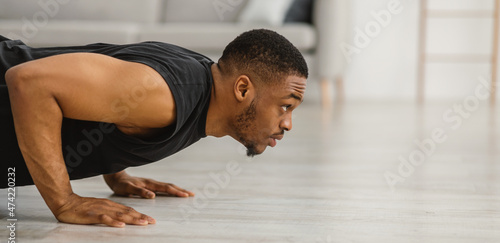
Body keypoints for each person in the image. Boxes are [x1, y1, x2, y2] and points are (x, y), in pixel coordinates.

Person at [1, 29, 308, 227]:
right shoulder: (165, 95)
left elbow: (110, 87)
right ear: (242, 89)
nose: (288, 124)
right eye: (285, 105)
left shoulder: (197, 82)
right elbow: (29, 82)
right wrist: (64, 201)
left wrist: (116, 166)